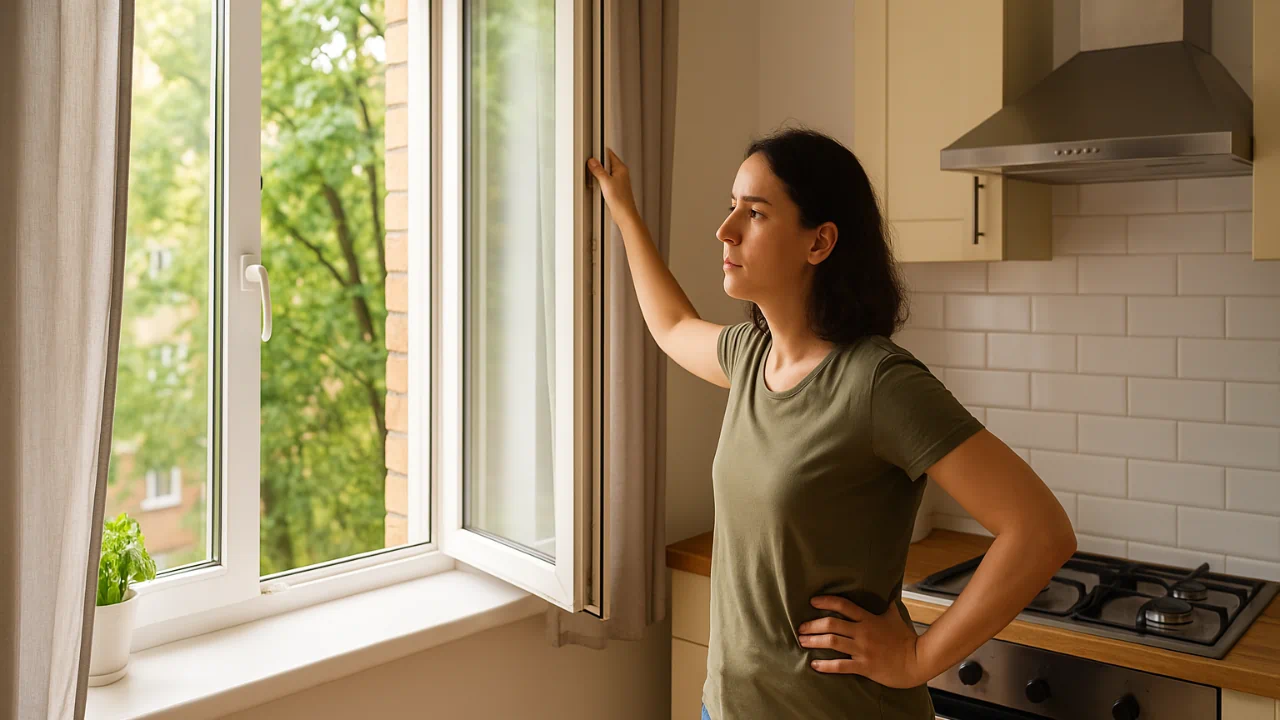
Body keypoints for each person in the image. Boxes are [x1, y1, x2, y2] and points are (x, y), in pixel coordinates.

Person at [586, 127, 1077, 720]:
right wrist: (623, 210)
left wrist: (918, 658)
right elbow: (671, 326)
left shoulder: (877, 383)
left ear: (819, 243)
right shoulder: (750, 357)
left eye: (756, 212)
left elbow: (1039, 530)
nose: (727, 229)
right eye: (732, 205)